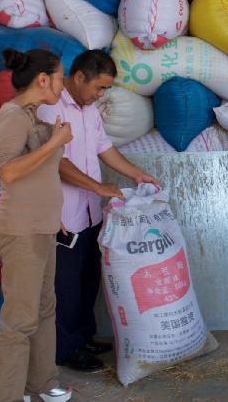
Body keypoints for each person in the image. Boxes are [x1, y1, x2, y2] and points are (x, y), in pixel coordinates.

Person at [36, 50, 156, 372]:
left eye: (106, 89)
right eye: (99, 87)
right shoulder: (51, 109)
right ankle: (67, 348)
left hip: (90, 213)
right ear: (79, 77)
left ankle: (85, 337)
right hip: (65, 216)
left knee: (89, 279)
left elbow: (105, 149)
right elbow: (55, 161)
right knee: (67, 286)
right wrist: (99, 188)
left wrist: (135, 173)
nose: (101, 95)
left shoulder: (89, 111)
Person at [0, 49, 73, 402]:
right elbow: (8, 171)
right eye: (59, 77)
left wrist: (57, 218)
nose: (63, 85)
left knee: (44, 309)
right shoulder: (11, 116)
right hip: (21, 231)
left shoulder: (33, 118)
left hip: (41, 228)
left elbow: (41, 176)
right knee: (19, 320)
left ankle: (41, 382)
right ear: (43, 79)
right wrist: (54, 142)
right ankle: (6, 396)